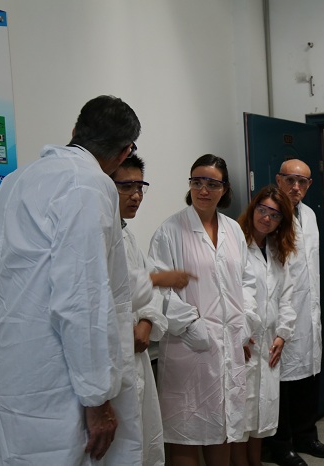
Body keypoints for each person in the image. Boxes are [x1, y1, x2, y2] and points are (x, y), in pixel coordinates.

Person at [0, 95, 143, 464]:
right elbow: (82, 298)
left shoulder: (15, 180)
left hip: (14, 373)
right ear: (124, 153)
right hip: (63, 383)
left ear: (75, 131)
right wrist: (96, 399)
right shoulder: (89, 184)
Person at [148, 154, 258, 466]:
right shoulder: (170, 230)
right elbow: (159, 287)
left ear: (225, 189)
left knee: (223, 427)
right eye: (197, 182)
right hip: (188, 346)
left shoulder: (233, 230)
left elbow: (247, 281)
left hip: (229, 345)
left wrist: (245, 322)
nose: (203, 190)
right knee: (186, 431)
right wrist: (192, 325)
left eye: (212, 183)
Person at [110, 155, 195, 465]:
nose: (136, 195)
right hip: (111, 359)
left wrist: (146, 323)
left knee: (142, 439)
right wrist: (159, 280)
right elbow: (108, 294)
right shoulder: (97, 238)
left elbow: (148, 292)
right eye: (126, 187)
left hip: (136, 352)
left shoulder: (126, 236)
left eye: (140, 186)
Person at [266, 159, 324, 466]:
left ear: (309, 185)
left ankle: (307, 436)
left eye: (303, 182)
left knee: (308, 375)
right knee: (282, 381)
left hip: (309, 311)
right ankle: (280, 445)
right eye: (290, 180)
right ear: (278, 180)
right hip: (280, 312)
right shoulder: (270, 215)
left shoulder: (309, 215)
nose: (296, 187)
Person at [232, 185, 298, 466]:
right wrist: (241, 334)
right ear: (253, 208)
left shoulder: (277, 250)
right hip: (244, 341)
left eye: (275, 214)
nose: (267, 218)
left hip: (269, 341)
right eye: (262, 209)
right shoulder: (235, 242)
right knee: (241, 413)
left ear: (281, 221)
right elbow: (231, 293)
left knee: (261, 413)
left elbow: (287, 296)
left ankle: (255, 462)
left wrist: (282, 335)